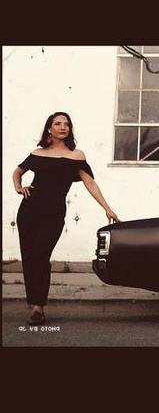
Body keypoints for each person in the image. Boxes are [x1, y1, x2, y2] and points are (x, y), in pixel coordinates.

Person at [12, 112, 119, 326]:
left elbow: (90, 183)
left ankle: (38, 304)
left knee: (41, 255)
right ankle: (36, 308)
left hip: (53, 213)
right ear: (49, 129)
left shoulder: (76, 156)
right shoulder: (37, 153)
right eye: (57, 123)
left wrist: (107, 208)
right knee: (30, 257)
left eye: (66, 124)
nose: (63, 127)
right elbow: (18, 171)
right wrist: (18, 187)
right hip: (29, 210)